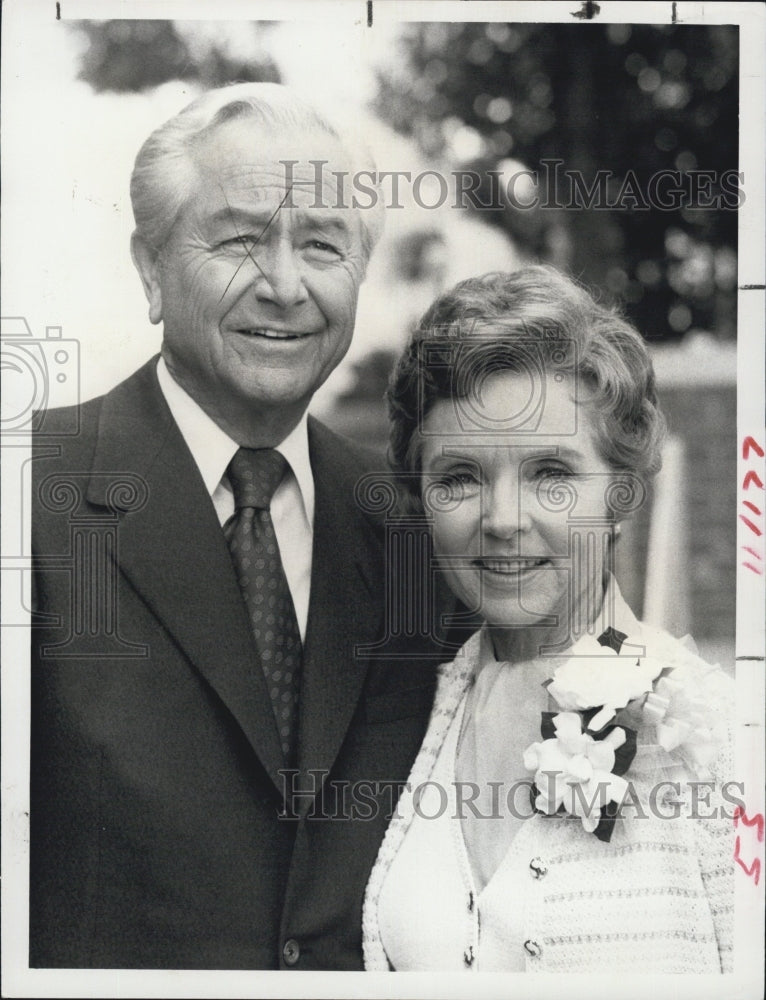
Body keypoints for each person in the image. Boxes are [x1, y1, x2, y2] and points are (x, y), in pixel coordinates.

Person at [29, 83, 456, 969]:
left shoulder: (417, 533)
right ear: (152, 271)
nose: (285, 286)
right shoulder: (32, 491)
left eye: (323, 245)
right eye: (239, 241)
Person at [362, 265, 735, 973]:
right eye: (460, 477)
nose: (503, 520)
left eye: (551, 475)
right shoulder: (409, 718)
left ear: (621, 495)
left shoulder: (719, 740)